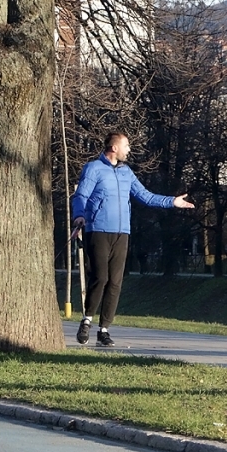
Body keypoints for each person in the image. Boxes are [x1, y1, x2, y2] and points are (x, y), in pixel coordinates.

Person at [71, 132, 194, 347]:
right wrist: (79, 216)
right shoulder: (93, 169)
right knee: (100, 277)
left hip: (122, 233)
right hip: (98, 230)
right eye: (126, 145)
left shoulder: (126, 172)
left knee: (115, 282)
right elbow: (81, 195)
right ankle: (87, 320)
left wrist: (172, 202)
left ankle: (104, 330)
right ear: (114, 147)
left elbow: (145, 196)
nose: (129, 149)